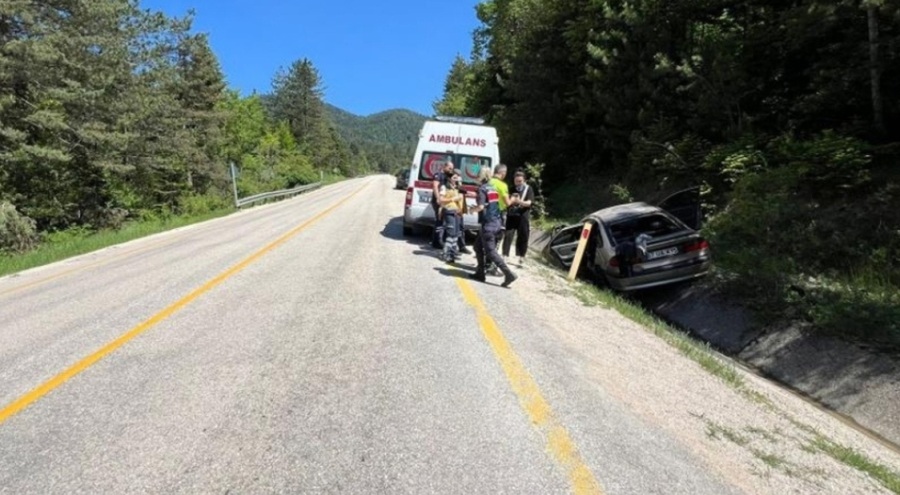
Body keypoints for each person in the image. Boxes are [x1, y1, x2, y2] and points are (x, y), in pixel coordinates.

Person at [469, 168, 518, 287]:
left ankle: (509, 274)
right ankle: (480, 273)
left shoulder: (482, 188)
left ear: (480, 176)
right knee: (477, 246)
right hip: (496, 221)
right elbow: (491, 205)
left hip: (488, 224)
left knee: (491, 252)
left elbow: (481, 207)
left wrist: (472, 209)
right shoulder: (492, 188)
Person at [486, 164, 517, 274]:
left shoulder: (488, 182)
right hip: (499, 214)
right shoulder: (502, 185)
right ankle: (492, 267)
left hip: (488, 213)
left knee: (488, 241)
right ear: (502, 172)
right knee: (497, 240)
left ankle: (486, 264)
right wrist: (513, 198)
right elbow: (507, 203)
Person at [502, 170, 534, 265]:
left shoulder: (529, 189)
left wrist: (519, 201)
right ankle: (505, 255)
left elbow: (529, 203)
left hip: (523, 216)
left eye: (520, 181)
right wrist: (511, 201)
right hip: (512, 215)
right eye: (516, 181)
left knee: (523, 236)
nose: (518, 183)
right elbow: (506, 201)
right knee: (508, 235)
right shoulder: (511, 189)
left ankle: (521, 256)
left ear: (524, 180)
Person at [438, 170, 466, 262]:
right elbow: (441, 199)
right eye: (454, 177)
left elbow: (463, 198)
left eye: (457, 177)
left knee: (456, 234)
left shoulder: (458, 187)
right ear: (449, 178)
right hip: (449, 211)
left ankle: (452, 254)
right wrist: (453, 199)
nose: (456, 179)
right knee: (451, 233)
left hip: (458, 212)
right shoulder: (444, 187)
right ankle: (445, 253)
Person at [431, 159, 455, 249]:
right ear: (444, 166)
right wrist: (438, 198)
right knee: (439, 221)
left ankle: (438, 240)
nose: (450, 170)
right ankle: (436, 242)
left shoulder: (447, 176)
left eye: (452, 168)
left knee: (442, 222)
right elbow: (435, 186)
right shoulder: (438, 175)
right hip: (438, 201)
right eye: (449, 168)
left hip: (445, 201)